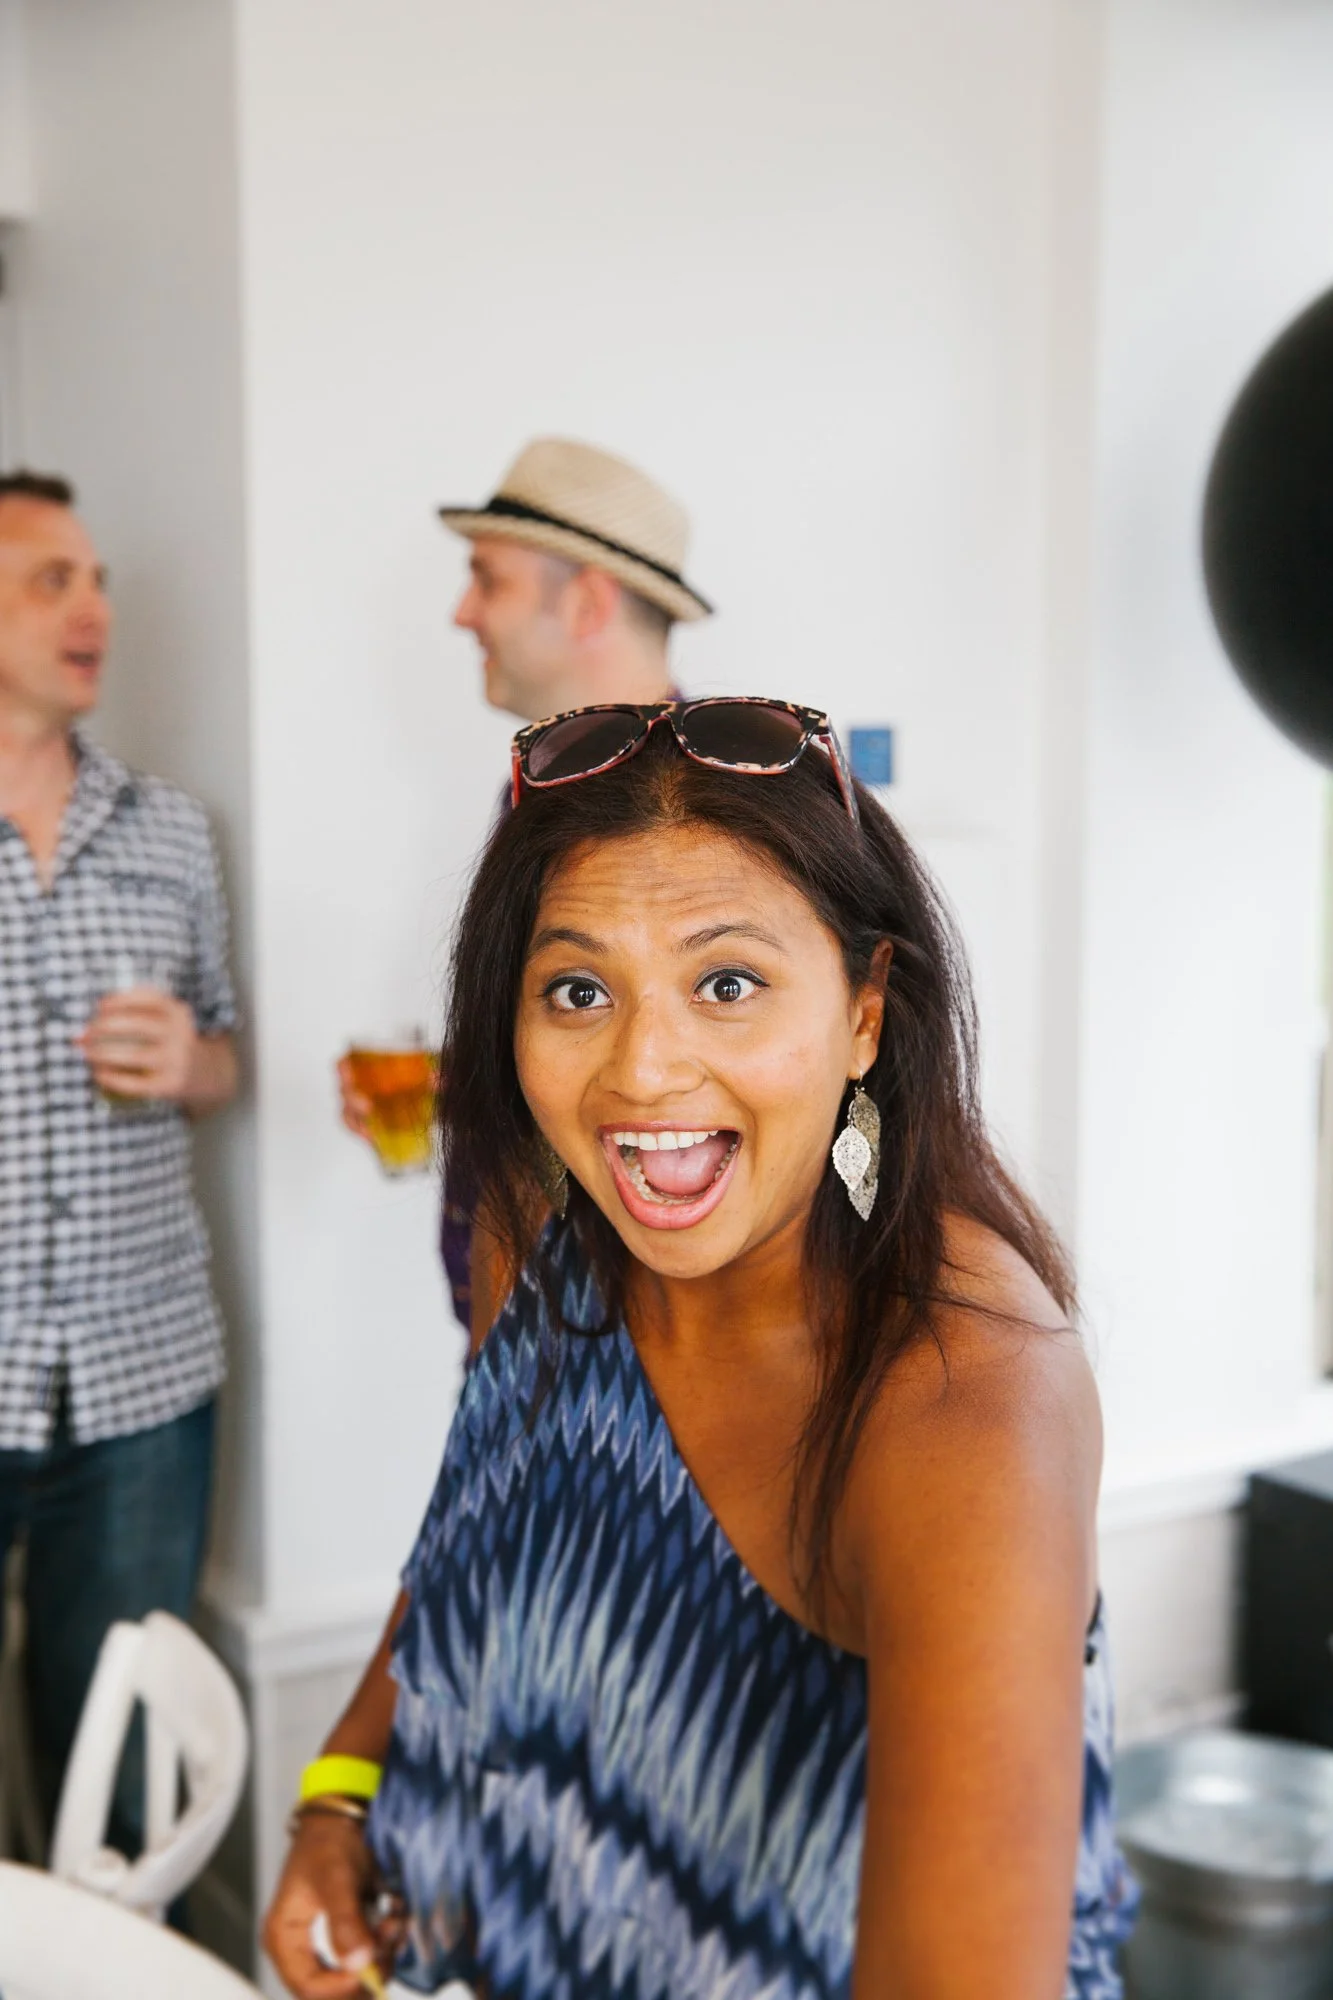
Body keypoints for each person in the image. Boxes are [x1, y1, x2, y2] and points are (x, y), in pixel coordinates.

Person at [266, 699, 1135, 1998]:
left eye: (726, 982)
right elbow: (472, 1526)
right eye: (577, 989)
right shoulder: (546, 1227)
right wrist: (338, 1796)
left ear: (864, 1008)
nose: (644, 1069)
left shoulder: (963, 1404)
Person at [337, 437, 711, 1328]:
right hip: (530, 1332)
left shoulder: (699, 813)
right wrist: (459, 1088)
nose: (463, 614)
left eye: (488, 579)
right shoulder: (545, 788)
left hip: (620, 1346)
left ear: (585, 600)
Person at [0, 469, 239, 1842]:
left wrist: (194, 1066)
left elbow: (224, 1050)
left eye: (97, 583)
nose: (93, 608)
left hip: (142, 1378)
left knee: (120, 1774)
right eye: (52, 580)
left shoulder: (171, 830)